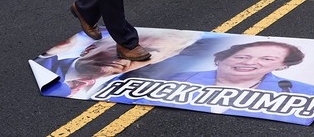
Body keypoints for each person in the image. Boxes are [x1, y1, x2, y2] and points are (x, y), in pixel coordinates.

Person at [162, 41, 314, 123]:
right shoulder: (174, 79)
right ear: (221, 58)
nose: (248, 63)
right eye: (242, 56)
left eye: (266, 59)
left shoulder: (311, 94)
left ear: (282, 66)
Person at [34, 28, 198, 99]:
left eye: (149, 52)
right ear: (92, 47)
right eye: (122, 46)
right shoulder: (47, 66)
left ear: (157, 61)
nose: (125, 57)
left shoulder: (136, 91)